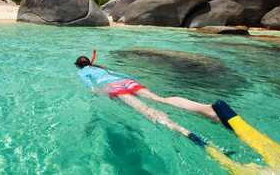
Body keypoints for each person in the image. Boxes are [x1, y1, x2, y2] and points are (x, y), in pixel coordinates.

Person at [74, 55, 222, 139]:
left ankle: (180, 130)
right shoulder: (103, 68)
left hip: (113, 87)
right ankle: (208, 110)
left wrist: (95, 91)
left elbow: (89, 83)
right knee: (160, 99)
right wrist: (137, 84)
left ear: (79, 65)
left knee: (143, 108)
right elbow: (124, 75)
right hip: (126, 82)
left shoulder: (83, 71)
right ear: (89, 62)